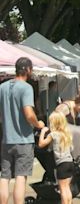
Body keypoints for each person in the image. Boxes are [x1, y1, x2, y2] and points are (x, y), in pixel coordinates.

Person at [0, 57, 45, 204]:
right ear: (27, 69)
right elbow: (28, 113)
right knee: (21, 177)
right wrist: (38, 124)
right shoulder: (26, 88)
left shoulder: (2, 87)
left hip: (6, 139)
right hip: (23, 140)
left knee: (4, 177)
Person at [38, 112, 74, 204]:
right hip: (69, 162)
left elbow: (41, 144)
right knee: (67, 188)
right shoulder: (66, 134)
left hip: (61, 164)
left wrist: (42, 132)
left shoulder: (53, 135)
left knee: (62, 190)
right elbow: (71, 148)